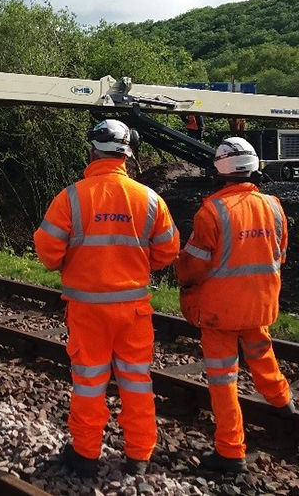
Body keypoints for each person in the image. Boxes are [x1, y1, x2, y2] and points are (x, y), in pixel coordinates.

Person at [34, 119, 180, 478]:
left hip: (88, 310)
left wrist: (71, 262)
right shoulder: (149, 199)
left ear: (93, 151)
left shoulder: (71, 197)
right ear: (128, 154)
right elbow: (168, 250)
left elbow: (47, 251)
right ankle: (139, 456)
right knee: (136, 382)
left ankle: (85, 454)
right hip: (133, 310)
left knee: (89, 382)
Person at [175, 137, 295, 474]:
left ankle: (231, 451)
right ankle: (284, 402)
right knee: (260, 352)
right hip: (259, 304)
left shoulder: (212, 212)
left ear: (220, 170)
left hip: (219, 313)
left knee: (223, 379)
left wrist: (181, 278)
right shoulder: (274, 206)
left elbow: (194, 268)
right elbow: (279, 255)